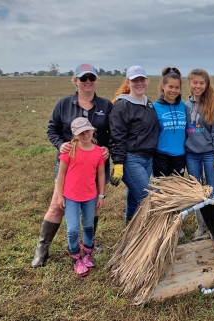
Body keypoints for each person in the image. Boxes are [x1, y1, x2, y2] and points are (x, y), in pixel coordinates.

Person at [31, 63, 112, 268]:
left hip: (95, 163)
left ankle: (88, 246)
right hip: (71, 164)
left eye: (91, 78)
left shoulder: (105, 105)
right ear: (75, 81)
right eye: (82, 78)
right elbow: (52, 130)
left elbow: (115, 132)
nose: (87, 82)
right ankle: (42, 249)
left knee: (91, 206)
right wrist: (60, 145)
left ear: (96, 81)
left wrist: (108, 148)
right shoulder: (63, 104)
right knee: (57, 206)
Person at [109, 66, 159, 226]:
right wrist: (118, 163)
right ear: (128, 82)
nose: (139, 83)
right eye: (135, 80)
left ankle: (129, 224)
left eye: (142, 79)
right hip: (131, 159)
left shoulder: (148, 103)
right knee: (149, 198)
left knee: (134, 194)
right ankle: (149, 233)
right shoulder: (122, 106)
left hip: (147, 158)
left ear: (147, 81)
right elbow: (116, 136)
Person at [56, 117, 106, 276]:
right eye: (81, 133)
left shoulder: (99, 152)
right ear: (75, 135)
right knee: (72, 229)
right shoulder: (69, 150)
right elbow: (61, 174)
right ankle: (75, 256)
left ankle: (87, 253)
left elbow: (101, 175)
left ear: (93, 130)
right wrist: (59, 196)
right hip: (70, 196)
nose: (85, 135)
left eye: (88, 131)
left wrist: (101, 195)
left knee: (89, 225)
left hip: (90, 196)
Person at [185, 68, 214, 237]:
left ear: (207, 84)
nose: (198, 86)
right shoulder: (185, 105)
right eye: (195, 82)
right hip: (191, 154)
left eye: (202, 83)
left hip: (210, 154)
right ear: (189, 83)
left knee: (212, 191)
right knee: (197, 192)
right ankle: (201, 227)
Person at [152, 67, 187, 177]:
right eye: (170, 87)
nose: (173, 90)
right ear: (163, 86)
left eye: (177, 87)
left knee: (176, 191)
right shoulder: (154, 107)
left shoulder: (184, 106)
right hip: (161, 156)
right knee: (162, 191)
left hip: (180, 156)